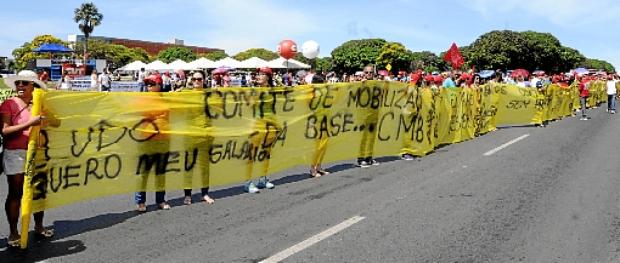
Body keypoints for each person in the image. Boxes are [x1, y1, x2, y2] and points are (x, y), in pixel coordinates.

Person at [1, 70, 53, 247]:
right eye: (18, 83)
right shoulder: (9, 104)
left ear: (33, 85)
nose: (20, 86)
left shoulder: (40, 103)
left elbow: (57, 123)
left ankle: (39, 226)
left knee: (38, 192)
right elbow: (5, 130)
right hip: (15, 153)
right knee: (16, 193)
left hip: (39, 153)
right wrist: (30, 123)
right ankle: (14, 232)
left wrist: (47, 118)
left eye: (24, 83)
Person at [135, 74, 171, 211]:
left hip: (163, 140)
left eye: (152, 82)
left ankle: (161, 200)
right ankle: (140, 201)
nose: (149, 85)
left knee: (160, 173)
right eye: (147, 83)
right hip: (146, 140)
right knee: (143, 172)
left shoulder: (168, 99)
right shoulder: (142, 99)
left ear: (159, 84)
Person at [181, 72, 214, 204]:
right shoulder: (185, 94)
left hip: (205, 134)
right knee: (189, 165)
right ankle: (187, 194)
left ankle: (205, 193)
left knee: (204, 166)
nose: (196, 81)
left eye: (199, 79)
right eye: (194, 79)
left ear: (204, 81)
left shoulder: (209, 95)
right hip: (190, 135)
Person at [244, 67, 278, 193]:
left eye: (261, 74)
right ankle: (248, 182)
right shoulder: (254, 90)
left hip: (270, 125)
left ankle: (262, 179)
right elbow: (249, 105)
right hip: (257, 124)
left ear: (268, 77)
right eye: (258, 74)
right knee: (252, 154)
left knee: (266, 153)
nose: (258, 76)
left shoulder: (273, 90)